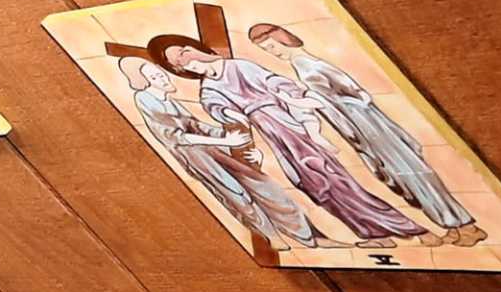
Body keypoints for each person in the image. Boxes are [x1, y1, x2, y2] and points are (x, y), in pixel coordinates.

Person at [160, 34, 423, 248]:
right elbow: (215, 106)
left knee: (327, 175)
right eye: (186, 68)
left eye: (191, 59)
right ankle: (371, 233)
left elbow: (276, 83)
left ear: (198, 53)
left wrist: (294, 99)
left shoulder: (239, 66)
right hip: (273, 136)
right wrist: (229, 114)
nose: (192, 67)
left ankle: (398, 225)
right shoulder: (209, 87)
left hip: (288, 126)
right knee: (312, 186)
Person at [244, 21, 478, 247]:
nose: (274, 52)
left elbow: (357, 96)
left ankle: (464, 225)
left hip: (372, 128)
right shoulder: (301, 66)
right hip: (359, 131)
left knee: (414, 175)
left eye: (273, 46)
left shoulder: (311, 65)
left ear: (283, 39)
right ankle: (453, 225)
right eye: (267, 50)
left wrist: (306, 101)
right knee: (403, 178)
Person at [117, 52, 314, 251]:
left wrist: (230, 133)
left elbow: (194, 125)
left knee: (262, 183)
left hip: (209, 150)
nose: (163, 78)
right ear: (143, 81)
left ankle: (305, 234)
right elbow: (174, 136)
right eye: (154, 77)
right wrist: (225, 140)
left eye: (160, 73)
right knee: (235, 193)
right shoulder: (145, 99)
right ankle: (271, 236)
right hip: (195, 157)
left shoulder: (168, 99)